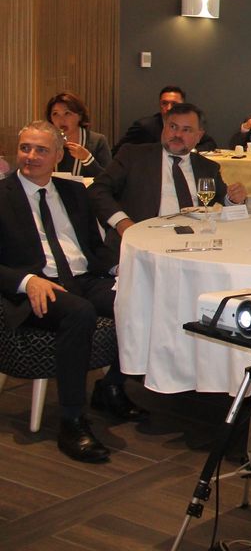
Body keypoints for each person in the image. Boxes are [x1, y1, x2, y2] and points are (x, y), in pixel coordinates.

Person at [0, 122, 145, 463]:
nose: (30, 156)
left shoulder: (74, 191)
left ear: (58, 156)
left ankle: (111, 386)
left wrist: (118, 270)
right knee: (79, 312)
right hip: (37, 286)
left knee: (139, 299)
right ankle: (72, 420)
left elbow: (93, 247)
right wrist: (27, 281)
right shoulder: (2, 195)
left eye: (41, 150)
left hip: (83, 278)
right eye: (25, 148)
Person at [89, 103, 246, 236]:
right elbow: (98, 189)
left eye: (186, 130)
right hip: (144, 237)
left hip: (196, 239)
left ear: (199, 136)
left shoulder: (207, 167)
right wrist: (121, 222)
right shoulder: (133, 156)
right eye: (172, 127)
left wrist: (233, 198)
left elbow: (222, 201)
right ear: (164, 127)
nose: (177, 134)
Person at [114, 85, 217, 152]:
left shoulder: (189, 125)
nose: (168, 108)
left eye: (174, 104)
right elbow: (118, 151)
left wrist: (192, 150)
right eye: (164, 103)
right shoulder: (144, 126)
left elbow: (210, 143)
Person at [46, 91, 112, 178]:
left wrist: (87, 159)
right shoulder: (47, 141)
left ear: (80, 116)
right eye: (55, 114)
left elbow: (109, 180)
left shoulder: (97, 141)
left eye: (67, 113)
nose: (61, 119)